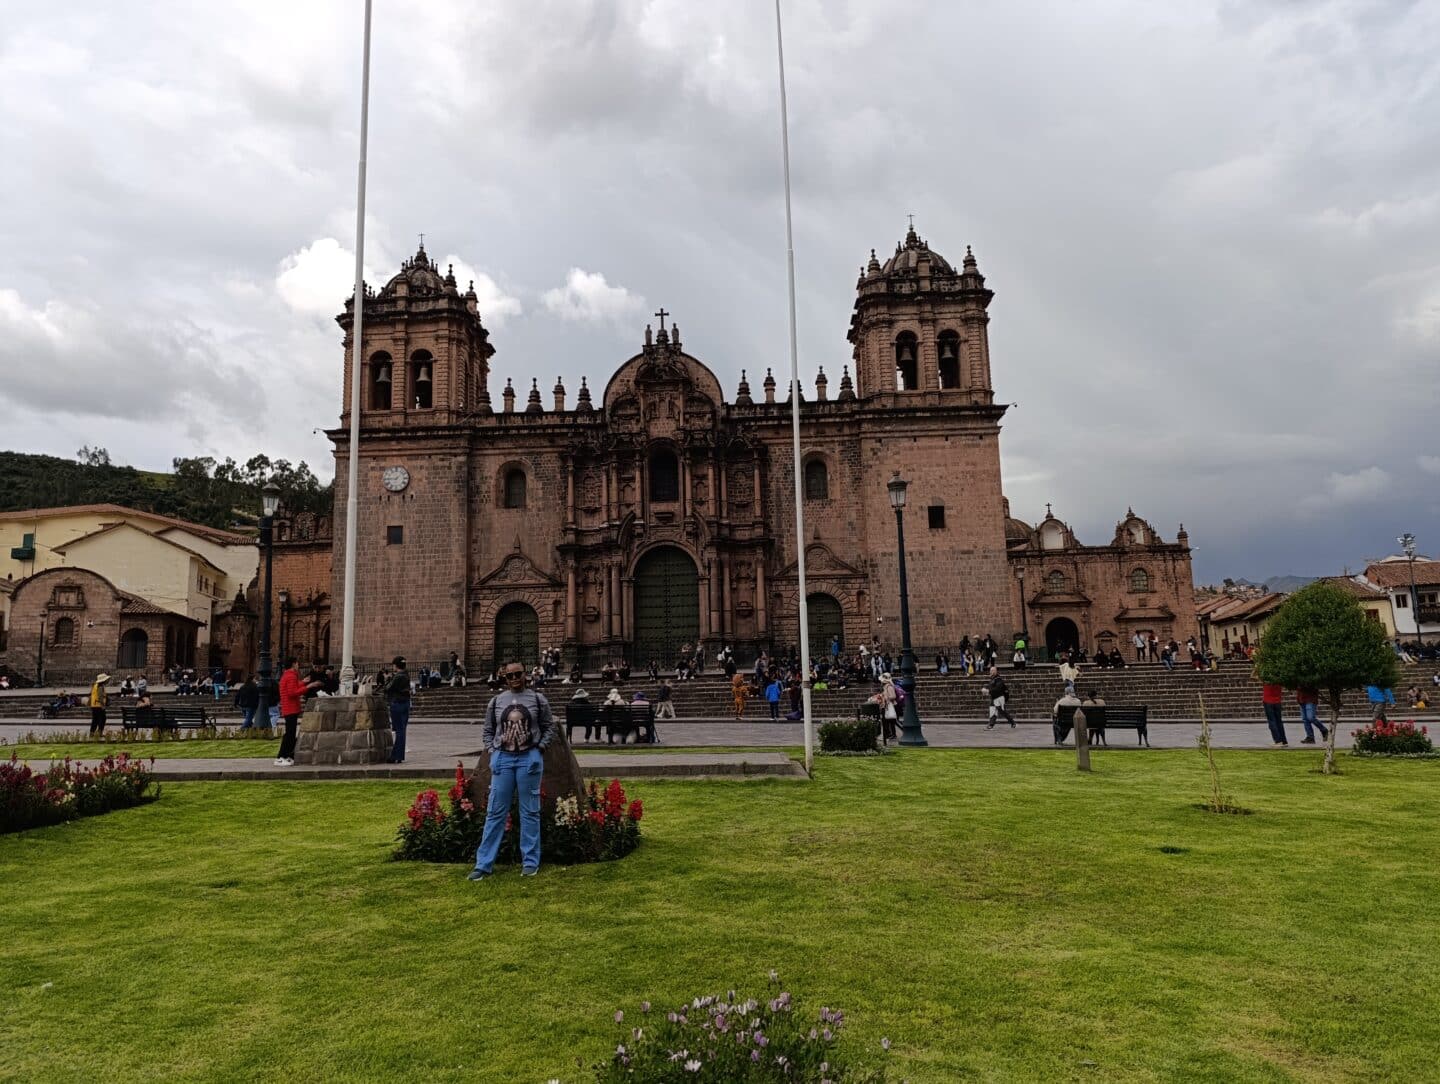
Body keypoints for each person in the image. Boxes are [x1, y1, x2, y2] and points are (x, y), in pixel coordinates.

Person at [469, 661, 557, 881]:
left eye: (518, 674)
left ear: (526, 675)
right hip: (504, 759)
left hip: (529, 759)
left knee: (530, 812)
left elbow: (549, 726)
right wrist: (493, 751)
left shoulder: (538, 699)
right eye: (510, 676)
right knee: (495, 812)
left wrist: (541, 748)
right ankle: (483, 864)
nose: (515, 678)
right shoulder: (496, 702)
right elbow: (488, 730)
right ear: (504, 679)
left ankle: (530, 862)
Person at [275, 656, 319, 766]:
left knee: (290, 733)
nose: (298, 665)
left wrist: (303, 682)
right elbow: (292, 692)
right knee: (289, 734)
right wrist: (309, 686)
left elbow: (293, 687)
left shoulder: (288, 675)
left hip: (290, 708)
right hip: (290, 708)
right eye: (297, 663)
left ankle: (288, 755)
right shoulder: (291, 675)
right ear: (294, 664)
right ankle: (281, 756)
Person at [381, 656, 412, 763]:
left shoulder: (398, 676)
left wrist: (387, 679)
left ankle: (396, 756)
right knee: (402, 730)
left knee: (399, 730)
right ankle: (399, 755)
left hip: (397, 704)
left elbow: (387, 688)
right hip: (405, 704)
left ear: (396, 665)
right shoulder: (406, 675)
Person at [1261, 680, 1288, 747]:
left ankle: (1278, 741)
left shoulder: (1266, 679)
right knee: (1279, 722)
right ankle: (1284, 741)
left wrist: (1256, 669)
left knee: (1272, 722)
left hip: (1268, 702)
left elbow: (1253, 676)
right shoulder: (1279, 679)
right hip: (1277, 701)